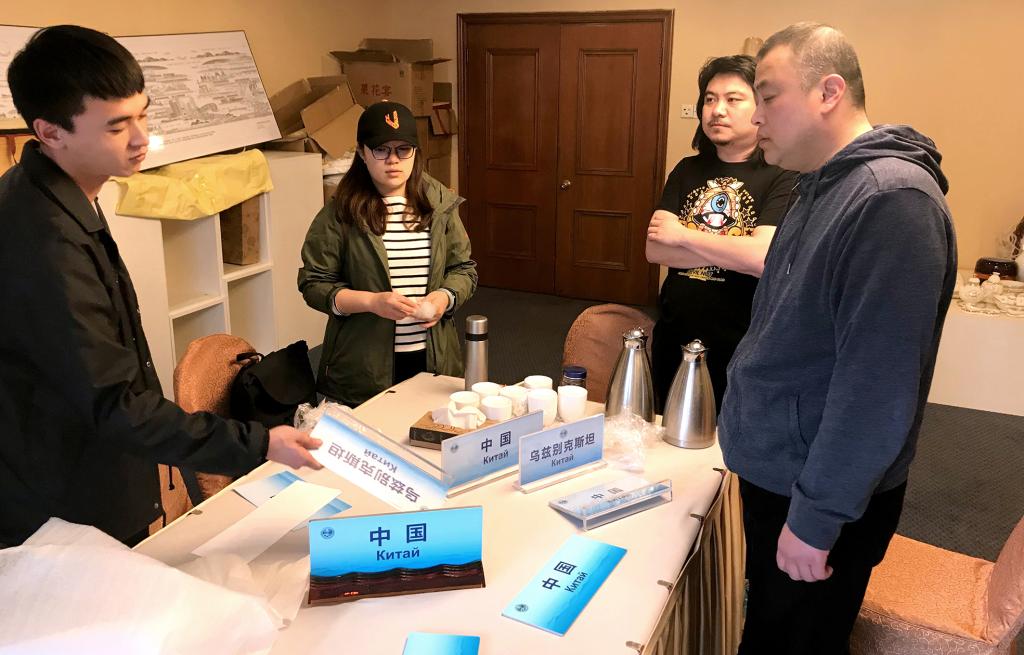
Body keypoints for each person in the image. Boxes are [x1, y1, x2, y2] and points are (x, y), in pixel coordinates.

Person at [0, 26, 323, 549]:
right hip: (63, 507)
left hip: (84, 475)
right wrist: (259, 442)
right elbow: (114, 403)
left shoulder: (57, 196)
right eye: (116, 126)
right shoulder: (44, 241)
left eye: (143, 115)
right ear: (51, 131)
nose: (140, 139)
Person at [719, 23, 957, 653]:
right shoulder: (821, 183)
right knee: (767, 630)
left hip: (818, 494)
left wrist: (817, 517)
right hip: (785, 470)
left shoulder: (891, 201)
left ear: (828, 92)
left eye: (768, 96)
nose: (755, 116)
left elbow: (876, 388)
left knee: (796, 641)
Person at [298, 101, 477, 407]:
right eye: (381, 149)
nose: (393, 160)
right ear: (362, 152)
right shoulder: (340, 213)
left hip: (433, 356)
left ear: (415, 153)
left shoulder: (439, 205)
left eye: (403, 149)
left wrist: (443, 298)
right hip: (363, 364)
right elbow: (314, 284)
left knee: (428, 430)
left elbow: (463, 269)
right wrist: (371, 302)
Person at [646, 55, 797, 413]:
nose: (717, 110)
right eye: (710, 99)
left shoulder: (783, 174)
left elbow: (761, 259)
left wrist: (683, 236)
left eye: (733, 99)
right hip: (675, 334)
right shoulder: (687, 169)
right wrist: (735, 251)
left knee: (727, 438)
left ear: (759, 108)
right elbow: (655, 250)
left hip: (743, 342)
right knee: (667, 427)